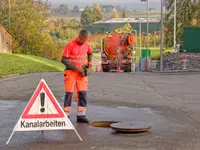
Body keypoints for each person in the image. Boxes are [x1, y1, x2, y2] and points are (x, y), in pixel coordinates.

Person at [61, 30, 92, 123]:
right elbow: (63, 59)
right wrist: (75, 68)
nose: (83, 43)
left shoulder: (87, 44)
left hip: (82, 72)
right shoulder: (70, 45)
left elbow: (90, 52)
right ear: (79, 37)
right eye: (82, 40)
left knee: (83, 93)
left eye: (85, 41)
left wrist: (89, 62)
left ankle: (81, 114)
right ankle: (66, 115)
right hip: (71, 72)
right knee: (69, 93)